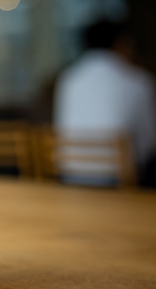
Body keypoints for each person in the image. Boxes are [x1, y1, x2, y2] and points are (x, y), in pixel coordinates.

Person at [54, 19, 156, 185]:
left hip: (70, 175)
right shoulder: (138, 80)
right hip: (121, 180)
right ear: (120, 42)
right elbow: (149, 142)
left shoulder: (68, 78)